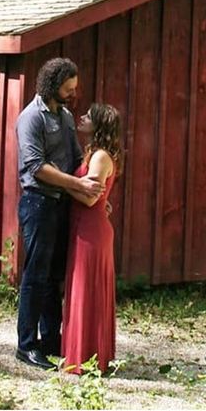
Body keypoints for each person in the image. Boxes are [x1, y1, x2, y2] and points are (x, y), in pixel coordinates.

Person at [15, 58, 103, 370]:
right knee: (35, 276)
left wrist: (98, 182)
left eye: (74, 87)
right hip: (38, 203)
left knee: (53, 278)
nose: (73, 92)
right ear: (53, 84)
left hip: (62, 205)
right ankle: (26, 346)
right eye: (69, 86)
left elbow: (76, 157)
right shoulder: (31, 118)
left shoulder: (64, 115)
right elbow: (36, 167)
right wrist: (76, 183)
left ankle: (51, 340)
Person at [62, 102, 122, 374]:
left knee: (88, 290)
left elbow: (89, 198)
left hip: (92, 230)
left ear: (98, 124)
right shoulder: (94, 153)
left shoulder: (100, 156)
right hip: (85, 227)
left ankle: (90, 358)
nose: (82, 117)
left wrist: (62, 183)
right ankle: (82, 353)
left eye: (88, 115)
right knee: (80, 289)